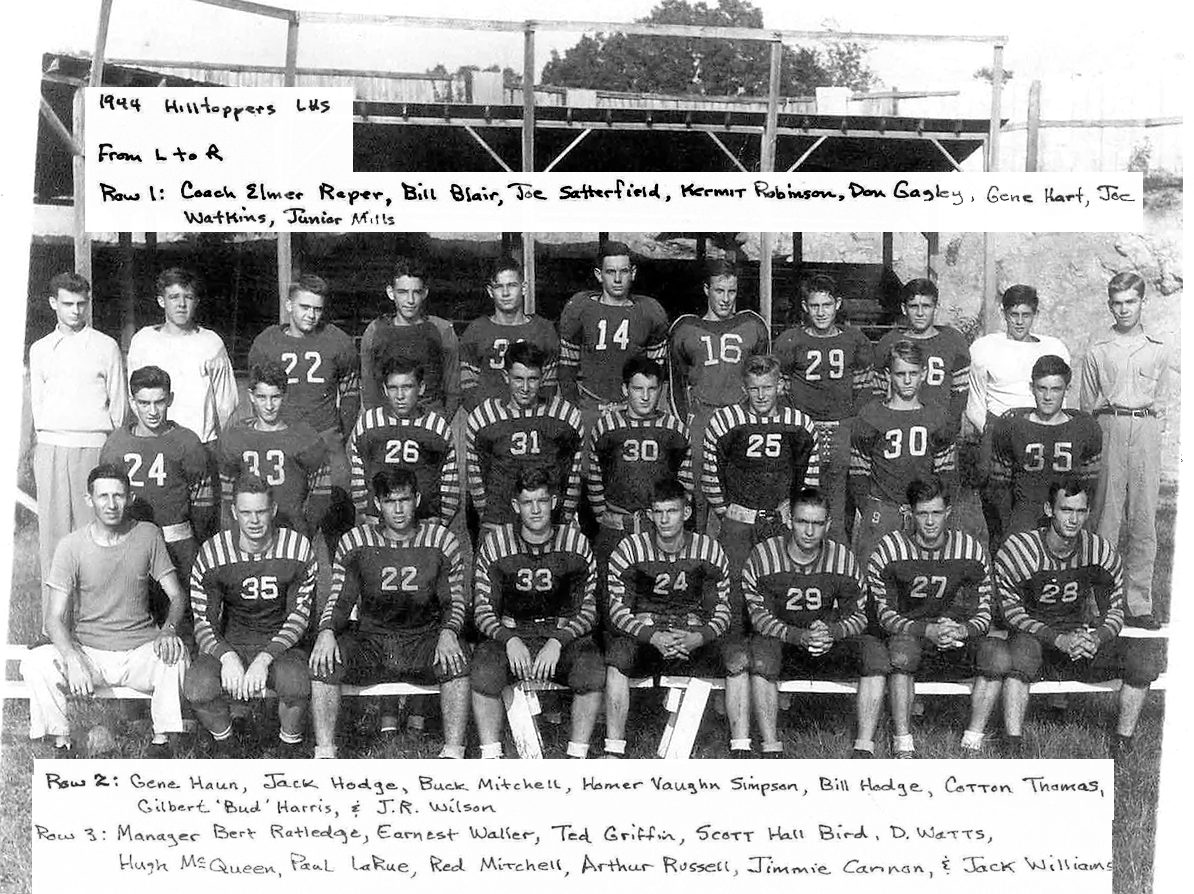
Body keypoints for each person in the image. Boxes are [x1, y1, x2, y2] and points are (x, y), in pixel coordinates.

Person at [20, 463, 187, 757]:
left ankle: (162, 744)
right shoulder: (71, 546)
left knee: (176, 655)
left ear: (130, 498)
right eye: (103, 496)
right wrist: (72, 657)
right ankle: (61, 744)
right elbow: (54, 617)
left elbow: (176, 596)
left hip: (139, 651)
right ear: (89, 500)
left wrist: (168, 631)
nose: (111, 504)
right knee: (36, 662)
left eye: (118, 496)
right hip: (90, 654)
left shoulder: (148, 535)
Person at [309, 468, 470, 759]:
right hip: (372, 639)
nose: (398, 509)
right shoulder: (356, 541)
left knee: (457, 660)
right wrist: (326, 631)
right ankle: (325, 753)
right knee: (324, 662)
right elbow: (341, 599)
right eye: (389, 501)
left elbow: (454, 600)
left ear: (417, 499)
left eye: (404, 500)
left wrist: (449, 632)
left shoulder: (440, 540)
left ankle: (454, 751)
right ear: (378, 504)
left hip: (421, 638)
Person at [996, 478, 1160, 758]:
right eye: (1066, 510)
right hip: (1037, 638)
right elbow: (1010, 612)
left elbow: (1115, 610)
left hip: (1079, 639)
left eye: (1080, 511)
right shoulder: (1021, 550)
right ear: (1049, 510)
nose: (1073, 519)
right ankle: (1013, 745)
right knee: (1019, 657)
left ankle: (1123, 742)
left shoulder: (1099, 550)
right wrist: (1057, 638)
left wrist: (1096, 638)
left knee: (1143, 660)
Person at [604, 479, 750, 757]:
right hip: (648, 637)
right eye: (658, 512)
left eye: (671, 511)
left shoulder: (708, 549)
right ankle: (614, 749)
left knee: (737, 658)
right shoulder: (629, 549)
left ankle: (741, 747)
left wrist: (699, 637)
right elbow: (618, 611)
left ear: (685, 513)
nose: (664, 519)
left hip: (692, 637)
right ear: (650, 515)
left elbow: (721, 609)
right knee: (617, 659)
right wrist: (653, 636)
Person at [867, 477, 1006, 757]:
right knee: (901, 654)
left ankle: (973, 739)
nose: (930, 521)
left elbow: (984, 611)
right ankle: (903, 741)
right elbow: (884, 615)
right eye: (922, 513)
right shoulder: (889, 549)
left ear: (948, 513)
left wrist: (961, 630)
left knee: (998, 656)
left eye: (936, 513)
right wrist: (926, 630)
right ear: (909, 513)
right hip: (912, 639)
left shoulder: (970, 550)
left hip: (956, 639)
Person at [742, 488, 885, 758]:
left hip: (827, 643)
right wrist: (800, 636)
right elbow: (759, 618)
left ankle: (864, 748)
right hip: (786, 643)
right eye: (802, 522)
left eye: (817, 524)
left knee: (875, 654)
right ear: (788, 520)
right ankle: (771, 747)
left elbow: (859, 614)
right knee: (761, 655)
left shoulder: (842, 558)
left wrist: (831, 632)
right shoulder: (764, 556)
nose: (809, 531)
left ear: (828, 525)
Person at [471, 469, 603, 759]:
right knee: (483, 671)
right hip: (514, 632)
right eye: (528, 502)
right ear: (516, 506)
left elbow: (590, 608)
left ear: (554, 502)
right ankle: (491, 755)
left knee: (591, 669)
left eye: (542, 501)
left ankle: (576, 754)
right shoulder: (496, 543)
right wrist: (509, 640)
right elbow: (481, 608)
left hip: (560, 634)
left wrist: (558, 641)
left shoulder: (576, 543)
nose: (535, 509)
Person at [185, 475, 317, 755]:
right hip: (233, 641)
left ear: (273, 510)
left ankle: (287, 747)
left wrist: (265, 658)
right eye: (246, 512)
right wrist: (226, 656)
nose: (254, 520)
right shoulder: (213, 553)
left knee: (296, 685)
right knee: (198, 688)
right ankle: (229, 745)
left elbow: (299, 618)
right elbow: (203, 621)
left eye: (260, 512)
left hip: (282, 645)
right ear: (234, 513)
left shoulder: (298, 547)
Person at [29, 272, 127, 629]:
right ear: (53, 303)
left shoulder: (105, 347)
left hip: (94, 448)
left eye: (81, 304)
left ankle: (96, 625)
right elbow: (38, 406)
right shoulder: (40, 349)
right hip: (53, 447)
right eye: (67, 304)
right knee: (53, 542)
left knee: (97, 539)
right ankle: (53, 627)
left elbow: (118, 407)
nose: (75, 311)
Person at [1080, 272, 1172, 629]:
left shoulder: (1158, 348)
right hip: (1110, 425)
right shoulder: (1098, 348)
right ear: (1109, 305)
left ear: (1142, 303)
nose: (1124, 309)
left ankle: (1139, 602)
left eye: (1130, 302)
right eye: (1117, 303)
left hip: (1145, 427)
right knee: (1107, 517)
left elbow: (1161, 400)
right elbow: (1088, 403)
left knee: (1144, 517)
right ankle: (1104, 600)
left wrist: (1150, 432)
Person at [100, 365, 213, 632]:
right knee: (131, 619)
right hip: (131, 544)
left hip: (178, 544)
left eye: (159, 402)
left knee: (184, 620)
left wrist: (193, 543)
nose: (152, 411)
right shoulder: (116, 445)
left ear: (170, 399)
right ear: (132, 402)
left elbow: (203, 505)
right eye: (144, 403)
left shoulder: (187, 442)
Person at [248, 274, 360, 539]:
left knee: (339, 515)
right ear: (289, 306)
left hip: (326, 439)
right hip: (283, 440)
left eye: (317, 309)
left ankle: (339, 578)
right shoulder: (267, 343)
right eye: (304, 307)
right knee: (286, 519)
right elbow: (257, 395)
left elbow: (351, 394)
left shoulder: (338, 341)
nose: (311, 315)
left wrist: (338, 433)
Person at [588, 357, 693, 623]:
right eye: (638, 389)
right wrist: (603, 514)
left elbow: (685, 479)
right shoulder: (607, 426)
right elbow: (594, 473)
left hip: (657, 526)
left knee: (656, 595)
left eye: (652, 389)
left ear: (661, 390)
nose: (645, 397)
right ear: (625, 390)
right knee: (610, 594)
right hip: (617, 524)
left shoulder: (674, 429)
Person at [965, 284, 1070, 546]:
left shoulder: (1053, 347)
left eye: (1026, 314)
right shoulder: (985, 347)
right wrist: (991, 432)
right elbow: (976, 399)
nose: (1020, 321)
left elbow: (1060, 397)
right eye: (1014, 315)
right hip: (999, 432)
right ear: (1004, 314)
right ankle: (1000, 573)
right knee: (998, 510)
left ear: (1035, 314)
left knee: (1040, 507)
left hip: (1039, 433)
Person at [668, 260, 769, 530]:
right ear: (706, 290)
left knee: (741, 487)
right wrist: (684, 423)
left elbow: (765, 378)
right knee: (698, 490)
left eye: (731, 291)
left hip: (739, 417)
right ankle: (700, 550)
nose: (725, 299)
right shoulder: (685, 328)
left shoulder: (752, 324)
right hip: (702, 417)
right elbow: (675, 383)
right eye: (719, 291)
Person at [774, 274, 874, 540]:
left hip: (842, 428)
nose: (821, 312)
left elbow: (865, 387)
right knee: (801, 500)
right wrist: (794, 423)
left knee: (839, 507)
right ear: (805, 307)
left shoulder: (854, 340)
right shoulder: (790, 340)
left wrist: (852, 422)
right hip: (804, 430)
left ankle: (839, 563)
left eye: (827, 305)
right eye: (815, 306)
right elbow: (780, 388)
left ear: (838, 304)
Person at [703, 355, 819, 578]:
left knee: (779, 585)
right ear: (744, 388)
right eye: (754, 388)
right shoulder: (725, 421)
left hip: (781, 522)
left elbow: (809, 477)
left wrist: (795, 510)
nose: (761, 395)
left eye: (767, 387)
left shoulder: (799, 424)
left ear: (780, 386)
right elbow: (711, 475)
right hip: (739, 521)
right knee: (733, 587)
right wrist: (726, 512)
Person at [849, 340, 956, 564]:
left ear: (923, 374)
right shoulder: (871, 415)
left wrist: (937, 508)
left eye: (913, 373)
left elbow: (946, 471)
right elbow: (859, 471)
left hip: (923, 510)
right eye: (900, 373)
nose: (907, 380)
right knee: (873, 576)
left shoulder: (936, 416)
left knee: (921, 578)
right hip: (883, 510)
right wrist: (869, 508)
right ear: (888, 375)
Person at [466, 342, 584, 533]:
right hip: (499, 521)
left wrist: (564, 519)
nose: (526, 388)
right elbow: (477, 476)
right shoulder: (483, 418)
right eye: (518, 379)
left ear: (543, 377)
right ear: (506, 376)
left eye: (533, 379)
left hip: (549, 523)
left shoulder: (565, 416)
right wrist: (489, 517)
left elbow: (573, 474)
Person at [558, 241, 670, 429]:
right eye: (610, 272)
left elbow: (654, 375)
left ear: (633, 273)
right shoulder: (579, 309)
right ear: (599, 275)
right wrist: (574, 410)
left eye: (624, 271)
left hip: (633, 413)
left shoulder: (650, 312)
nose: (617, 279)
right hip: (591, 408)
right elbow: (567, 370)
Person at [989, 355, 1102, 539]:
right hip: (1024, 517)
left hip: (1067, 517)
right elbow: (999, 489)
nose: (1048, 397)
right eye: (1042, 388)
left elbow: (1089, 488)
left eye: (1056, 389)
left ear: (1067, 389)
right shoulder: (1011, 427)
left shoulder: (1085, 429)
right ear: (1031, 388)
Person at [217, 361, 329, 536]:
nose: (269, 406)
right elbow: (226, 493)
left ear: (284, 395)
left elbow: (321, 492)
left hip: (292, 529)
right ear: (251, 396)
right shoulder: (235, 436)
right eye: (262, 397)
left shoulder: (305, 437)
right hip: (249, 531)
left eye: (275, 397)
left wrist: (306, 529)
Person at [347, 356, 460, 525]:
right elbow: (358, 478)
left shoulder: (437, 427)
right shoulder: (368, 423)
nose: (400, 395)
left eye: (407, 387)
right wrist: (367, 515)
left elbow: (449, 482)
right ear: (385, 390)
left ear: (421, 387)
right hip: (378, 522)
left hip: (425, 521)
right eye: (393, 388)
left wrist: (441, 523)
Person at [359, 257, 460, 420]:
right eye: (403, 292)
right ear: (391, 293)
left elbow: (453, 387)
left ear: (425, 292)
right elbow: (369, 391)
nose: (410, 300)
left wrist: (441, 423)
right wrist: (379, 424)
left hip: (430, 419)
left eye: (416, 292)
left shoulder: (441, 330)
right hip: (388, 421)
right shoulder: (375, 330)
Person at [460, 258, 560, 412]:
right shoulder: (476, 330)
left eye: (512, 285)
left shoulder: (544, 330)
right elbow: (467, 386)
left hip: (532, 419)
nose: (505, 293)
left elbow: (548, 385)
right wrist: (485, 417)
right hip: (489, 422)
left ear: (524, 288)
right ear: (490, 291)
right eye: (499, 286)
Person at [873, 279, 970, 434]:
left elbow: (960, 393)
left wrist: (947, 425)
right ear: (904, 309)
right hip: (899, 427)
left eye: (926, 306)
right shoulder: (889, 342)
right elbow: (879, 391)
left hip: (940, 428)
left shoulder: (953, 341)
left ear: (935, 308)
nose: (920, 313)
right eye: (913, 306)